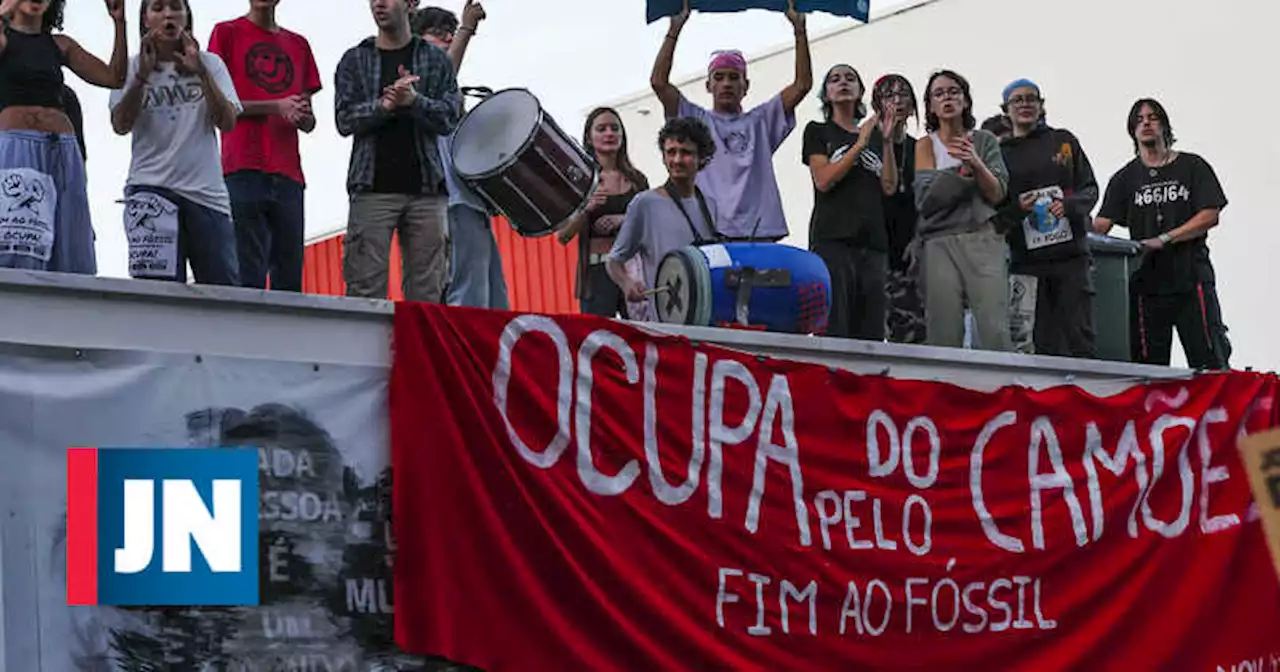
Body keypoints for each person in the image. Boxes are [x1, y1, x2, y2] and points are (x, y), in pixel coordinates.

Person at [650, 0, 811, 242]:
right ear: (708, 85)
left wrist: (800, 30)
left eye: (734, 77)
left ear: (745, 86)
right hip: (709, 233)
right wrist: (674, 29)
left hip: (758, 235)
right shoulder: (694, 121)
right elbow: (659, 83)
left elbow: (802, 85)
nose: (727, 83)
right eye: (719, 77)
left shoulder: (762, 122)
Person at [335, 0, 460, 303]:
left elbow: (449, 117)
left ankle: (419, 351)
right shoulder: (355, 59)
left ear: (410, 3)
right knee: (364, 291)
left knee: (428, 295)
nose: (379, 3)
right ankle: (364, 352)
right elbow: (344, 119)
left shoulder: (434, 59)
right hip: (372, 188)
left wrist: (415, 101)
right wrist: (384, 106)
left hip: (426, 189)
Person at [109, 0, 242, 286]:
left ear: (187, 17)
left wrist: (201, 73)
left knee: (224, 293)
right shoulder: (131, 67)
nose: (168, 14)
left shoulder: (211, 63)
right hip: (150, 192)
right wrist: (143, 76)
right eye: (158, 8)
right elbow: (120, 124)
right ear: (145, 20)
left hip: (206, 195)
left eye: (175, 7)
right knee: (159, 297)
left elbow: (228, 121)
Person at [1093, 98, 1231, 370]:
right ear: (1132, 130)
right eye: (1139, 119)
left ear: (1165, 125)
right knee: (1148, 366)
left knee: (1210, 357)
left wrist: (1166, 238)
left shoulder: (1192, 166)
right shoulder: (1124, 179)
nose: (1146, 123)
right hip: (1147, 282)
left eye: (1153, 117)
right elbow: (1099, 227)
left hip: (1191, 277)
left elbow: (1210, 214)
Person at [0, 0, 127, 275]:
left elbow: (113, 77)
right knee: (19, 241)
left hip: (62, 149)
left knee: (70, 236)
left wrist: (119, 22)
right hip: (16, 147)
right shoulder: (4, 39)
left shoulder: (60, 44)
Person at [208, 0, 322, 292]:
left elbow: (308, 121)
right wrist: (277, 106)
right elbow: (220, 107)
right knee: (247, 275)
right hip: (242, 168)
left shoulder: (299, 44)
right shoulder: (226, 33)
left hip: (289, 174)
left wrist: (302, 116)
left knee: (290, 279)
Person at [995, 79, 1099, 358]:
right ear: (1006, 110)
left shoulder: (1064, 141)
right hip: (1027, 265)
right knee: (1034, 344)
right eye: (1017, 100)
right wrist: (1018, 208)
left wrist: (1069, 205)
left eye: (1031, 98)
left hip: (1071, 260)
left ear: (1042, 106)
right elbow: (995, 213)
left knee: (1081, 340)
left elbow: (1090, 189)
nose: (1025, 104)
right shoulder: (1000, 154)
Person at [415, 2, 509, 310]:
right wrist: (467, 29)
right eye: (438, 34)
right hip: (451, 200)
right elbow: (442, 73)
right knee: (468, 296)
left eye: (450, 34)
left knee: (495, 299)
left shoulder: (450, 90)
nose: (446, 40)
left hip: (469, 200)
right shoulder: (419, 78)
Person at [913, 69, 1011, 352]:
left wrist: (976, 165)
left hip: (981, 237)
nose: (947, 98)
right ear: (930, 105)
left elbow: (997, 193)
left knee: (994, 327)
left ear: (965, 100)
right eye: (939, 93)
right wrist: (964, 173)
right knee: (943, 330)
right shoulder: (925, 145)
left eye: (954, 91)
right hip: (937, 242)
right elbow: (926, 199)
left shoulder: (983, 141)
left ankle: (1002, 389)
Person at [801, 64, 896, 340]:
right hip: (833, 239)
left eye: (850, 78)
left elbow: (889, 186)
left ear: (860, 92)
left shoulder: (876, 135)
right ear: (826, 94)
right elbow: (823, 180)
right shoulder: (818, 131)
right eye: (835, 79)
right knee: (835, 326)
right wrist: (858, 145)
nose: (843, 83)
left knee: (871, 331)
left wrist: (887, 143)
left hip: (873, 242)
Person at [606, 117, 719, 317]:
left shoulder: (710, 204)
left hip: (706, 317)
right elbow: (614, 260)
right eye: (671, 152)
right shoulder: (645, 203)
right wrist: (627, 284)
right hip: (666, 322)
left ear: (702, 157)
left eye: (685, 153)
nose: (676, 160)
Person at [557, 107, 650, 318]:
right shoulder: (580, 180)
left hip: (634, 271)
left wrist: (625, 219)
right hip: (597, 272)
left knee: (641, 336)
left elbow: (651, 224)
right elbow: (563, 236)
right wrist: (585, 209)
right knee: (599, 339)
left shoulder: (637, 180)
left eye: (614, 128)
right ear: (589, 138)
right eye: (601, 129)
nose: (609, 134)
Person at [869, 74, 923, 345]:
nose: (897, 101)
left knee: (911, 333)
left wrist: (919, 239)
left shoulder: (920, 148)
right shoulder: (866, 143)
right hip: (873, 248)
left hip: (908, 253)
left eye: (904, 95)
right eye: (889, 95)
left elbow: (928, 202)